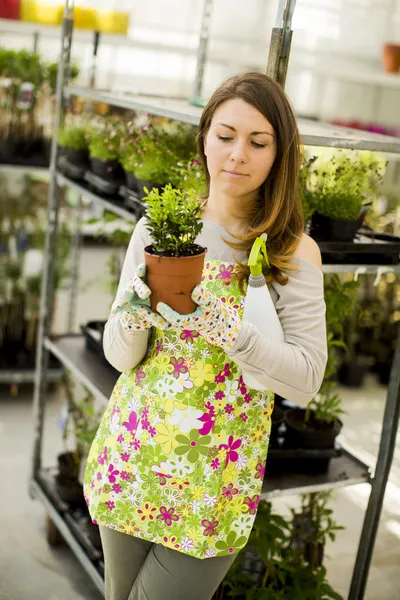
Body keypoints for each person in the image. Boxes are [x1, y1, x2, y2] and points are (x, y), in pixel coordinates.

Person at [83, 71, 327, 600]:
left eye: (258, 142)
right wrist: (131, 315)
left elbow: (306, 381)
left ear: (279, 154)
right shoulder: (159, 229)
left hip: (214, 478)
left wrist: (234, 334)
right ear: (204, 138)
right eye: (225, 135)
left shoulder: (291, 251)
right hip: (135, 451)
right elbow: (122, 358)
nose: (237, 154)